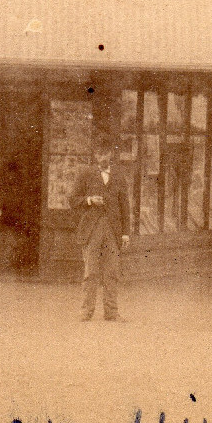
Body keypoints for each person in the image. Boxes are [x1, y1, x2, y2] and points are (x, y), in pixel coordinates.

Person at [70, 136, 131, 321]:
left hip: (113, 230)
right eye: (98, 154)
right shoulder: (85, 174)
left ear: (110, 154)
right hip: (92, 229)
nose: (101, 157)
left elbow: (125, 206)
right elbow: (73, 200)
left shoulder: (119, 176)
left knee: (112, 272)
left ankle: (111, 312)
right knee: (91, 272)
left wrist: (126, 233)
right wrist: (89, 200)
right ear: (94, 155)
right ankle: (86, 312)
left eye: (104, 153)